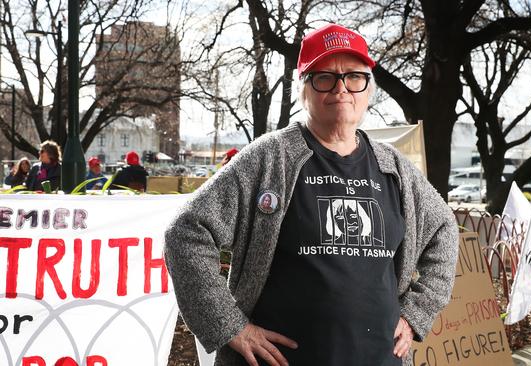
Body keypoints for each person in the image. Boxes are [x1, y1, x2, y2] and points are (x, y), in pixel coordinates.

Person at [164, 23, 459, 366]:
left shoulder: (395, 169)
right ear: (304, 88)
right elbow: (186, 233)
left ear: (368, 89)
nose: (341, 88)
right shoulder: (269, 158)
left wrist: (416, 313)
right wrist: (229, 327)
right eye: (324, 77)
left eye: (354, 76)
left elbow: (444, 230)